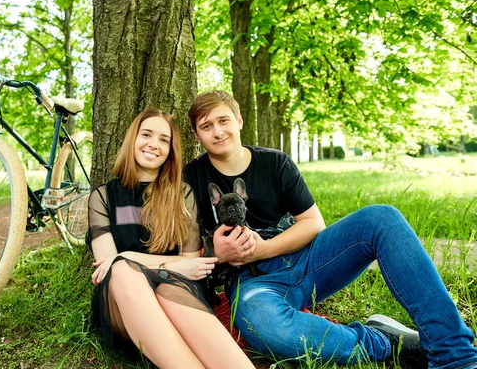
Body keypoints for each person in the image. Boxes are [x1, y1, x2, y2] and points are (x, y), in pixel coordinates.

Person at [183, 90, 477, 367]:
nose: (218, 131)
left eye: (223, 120)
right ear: (196, 135)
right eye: (207, 126)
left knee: (381, 219)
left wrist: (264, 248)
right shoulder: (191, 178)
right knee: (268, 327)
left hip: (308, 258)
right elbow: (185, 251)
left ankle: (455, 354)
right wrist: (218, 255)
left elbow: (313, 223)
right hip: (252, 282)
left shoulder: (275, 162)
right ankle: (384, 341)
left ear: (239, 120)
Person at [87, 108, 254, 369]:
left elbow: (193, 264)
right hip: (126, 301)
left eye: (164, 140)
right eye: (146, 135)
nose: (154, 144)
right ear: (133, 139)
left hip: (174, 288)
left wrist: (131, 258)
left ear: (171, 150)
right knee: (121, 271)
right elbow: (107, 266)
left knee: (165, 286)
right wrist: (138, 261)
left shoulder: (182, 194)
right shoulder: (103, 197)